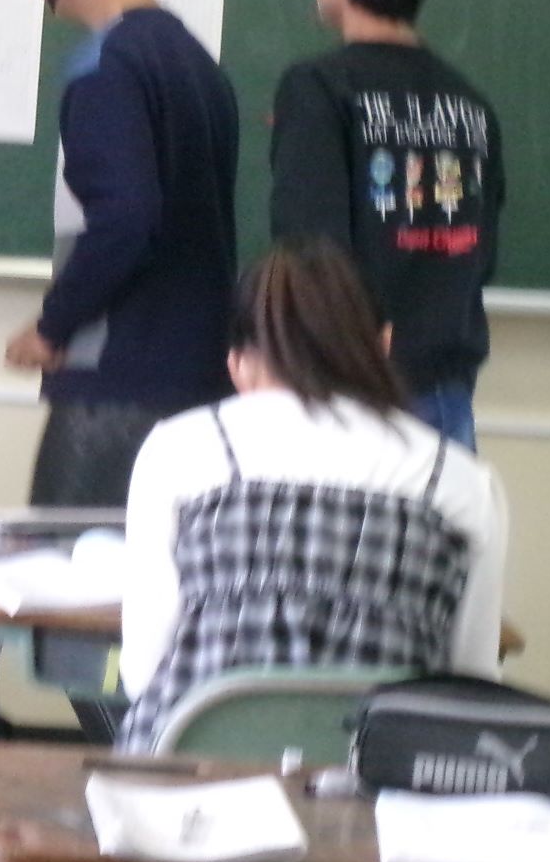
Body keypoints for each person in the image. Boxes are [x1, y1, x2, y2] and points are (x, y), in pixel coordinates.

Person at [116, 239, 507, 754]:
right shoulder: (461, 480)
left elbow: (143, 672)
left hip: (189, 781)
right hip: (384, 788)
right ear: (384, 343)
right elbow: (470, 680)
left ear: (238, 363)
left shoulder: (179, 449)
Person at [0, 0, 240, 510]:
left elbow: (126, 216)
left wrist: (52, 326)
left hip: (119, 384)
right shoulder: (196, 62)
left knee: (72, 565)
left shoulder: (105, 66)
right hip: (199, 375)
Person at [270, 0, 505, 450]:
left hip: (349, 392)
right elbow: (482, 251)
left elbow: (311, 251)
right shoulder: (469, 104)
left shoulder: (319, 89)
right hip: (445, 393)